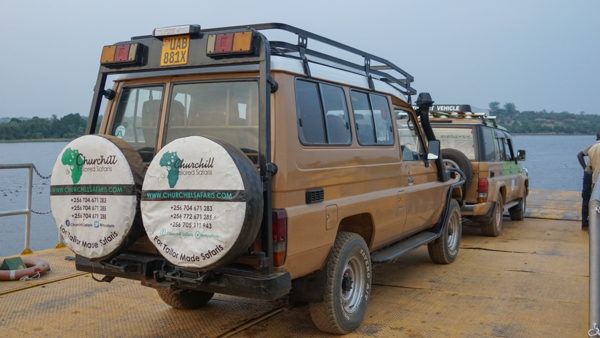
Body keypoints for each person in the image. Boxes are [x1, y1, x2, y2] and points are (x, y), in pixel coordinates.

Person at [578, 133, 600, 229]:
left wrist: (584, 168)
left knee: (586, 198)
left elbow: (580, 155)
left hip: (589, 172)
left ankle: (584, 223)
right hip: (595, 174)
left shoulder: (593, 146)